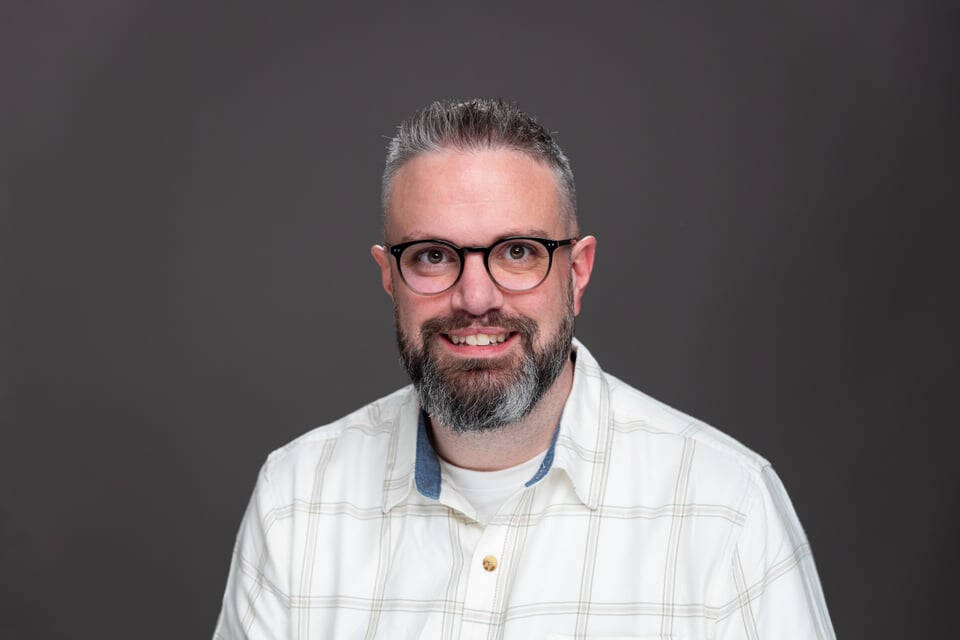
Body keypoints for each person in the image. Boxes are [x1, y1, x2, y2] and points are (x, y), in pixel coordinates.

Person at [213, 98, 835, 639]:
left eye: (517, 252)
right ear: (388, 276)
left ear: (578, 271)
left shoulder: (727, 509)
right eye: (433, 256)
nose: (476, 297)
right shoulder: (297, 499)